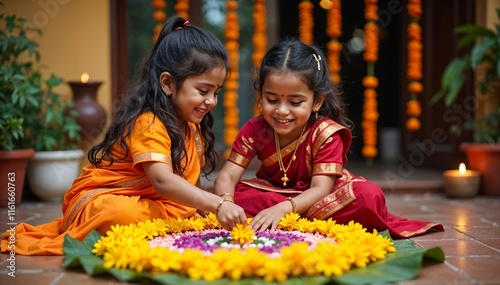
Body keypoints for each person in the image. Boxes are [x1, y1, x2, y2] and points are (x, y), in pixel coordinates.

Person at [1, 17, 247, 255]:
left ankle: (169, 223)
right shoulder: (148, 122)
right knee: (116, 213)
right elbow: (163, 182)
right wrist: (217, 204)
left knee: (189, 209)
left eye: (216, 92)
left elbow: (187, 186)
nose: (211, 101)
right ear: (168, 83)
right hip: (103, 202)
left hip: (155, 206)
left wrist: (208, 207)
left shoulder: (192, 128)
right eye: (203, 91)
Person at [213, 38, 444, 238]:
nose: (282, 111)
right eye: (272, 100)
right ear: (261, 93)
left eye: (295, 102)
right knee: (232, 196)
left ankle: (284, 219)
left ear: (317, 101)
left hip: (320, 196)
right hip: (276, 194)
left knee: (367, 196)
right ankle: (296, 220)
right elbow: (227, 177)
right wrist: (226, 203)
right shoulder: (255, 129)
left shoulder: (326, 133)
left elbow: (321, 188)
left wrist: (283, 209)